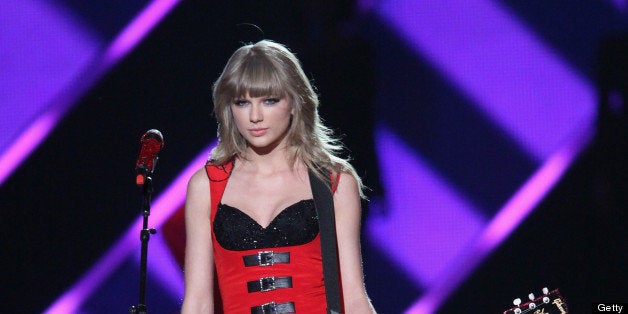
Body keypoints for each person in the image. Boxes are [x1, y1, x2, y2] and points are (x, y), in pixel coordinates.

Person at [181, 40, 376, 313]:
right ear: (229, 108)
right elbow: (198, 303)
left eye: (269, 100)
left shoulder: (334, 183)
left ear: (295, 103)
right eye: (242, 102)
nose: (255, 116)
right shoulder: (206, 186)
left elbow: (354, 298)